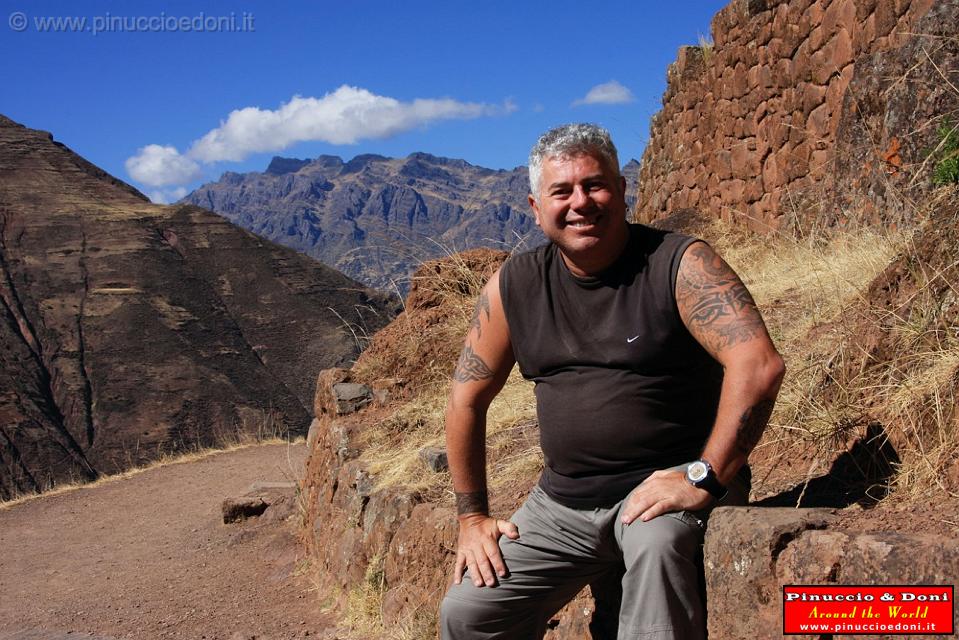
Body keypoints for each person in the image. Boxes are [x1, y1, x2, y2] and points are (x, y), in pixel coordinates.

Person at [439, 123, 785, 639]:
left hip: (666, 486)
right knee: (470, 614)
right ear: (536, 208)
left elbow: (758, 364)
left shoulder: (679, 263)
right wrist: (472, 519)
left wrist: (704, 477)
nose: (580, 202)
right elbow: (465, 399)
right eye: (562, 191)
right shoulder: (515, 286)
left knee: (657, 553)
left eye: (594, 185)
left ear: (623, 191)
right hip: (560, 505)